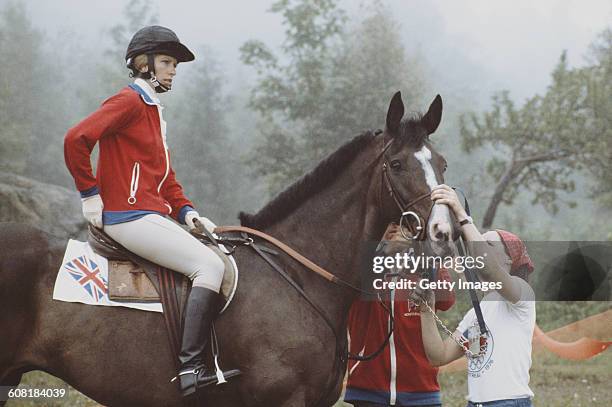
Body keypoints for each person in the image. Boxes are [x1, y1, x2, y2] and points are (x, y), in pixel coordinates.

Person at [64, 25, 240, 397]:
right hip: (128, 217)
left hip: (153, 215)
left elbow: (166, 180)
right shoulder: (128, 102)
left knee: (219, 255)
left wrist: (187, 212)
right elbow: (75, 139)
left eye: (174, 64)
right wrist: (90, 194)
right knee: (209, 266)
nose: (173, 70)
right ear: (142, 64)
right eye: (166, 62)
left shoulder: (152, 111)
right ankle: (191, 368)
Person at [416, 184, 536, 407]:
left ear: (509, 260)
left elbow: (491, 269)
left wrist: (461, 215)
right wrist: (426, 311)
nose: (478, 249)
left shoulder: (521, 296)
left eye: (488, 244)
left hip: (507, 402)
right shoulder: (476, 314)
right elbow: (438, 356)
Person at [345, 223, 456, 407]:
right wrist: (383, 253)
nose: (395, 228)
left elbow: (447, 299)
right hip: (368, 388)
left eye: (403, 224)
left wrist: (422, 251)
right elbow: (349, 290)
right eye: (388, 222)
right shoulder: (358, 258)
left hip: (421, 388)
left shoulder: (423, 258)